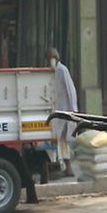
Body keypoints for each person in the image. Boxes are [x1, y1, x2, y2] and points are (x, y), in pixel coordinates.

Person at [46, 47, 78, 177]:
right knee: (57, 141)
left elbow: (71, 91)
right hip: (57, 112)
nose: (49, 61)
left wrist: (73, 111)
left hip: (65, 112)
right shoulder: (51, 72)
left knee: (63, 141)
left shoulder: (62, 70)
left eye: (50, 58)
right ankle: (59, 167)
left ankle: (68, 167)